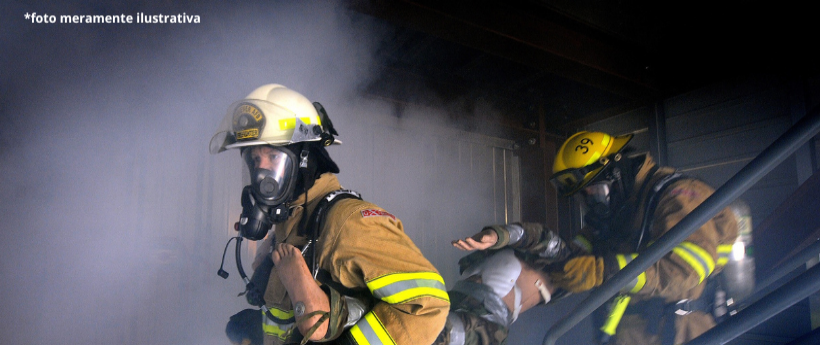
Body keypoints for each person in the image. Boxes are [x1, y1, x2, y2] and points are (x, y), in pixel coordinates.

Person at [210, 84, 450, 345]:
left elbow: (428, 304)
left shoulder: (347, 221)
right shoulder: (288, 227)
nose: (261, 173)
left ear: (305, 159)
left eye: (272, 156)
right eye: (254, 161)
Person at [546, 131, 739, 345]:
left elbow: (688, 267)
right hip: (629, 331)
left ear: (617, 172)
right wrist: (558, 261)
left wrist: (603, 271)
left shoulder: (680, 195)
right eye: (585, 197)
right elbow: (589, 242)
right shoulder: (622, 204)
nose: (593, 204)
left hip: (678, 332)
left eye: (596, 191)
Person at [433, 222, 571, 345]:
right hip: (458, 298)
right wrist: (498, 235)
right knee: (423, 322)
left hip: (487, 323)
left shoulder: (568, 274)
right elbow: (531, 235)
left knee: (431, 332)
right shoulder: (559, 253)